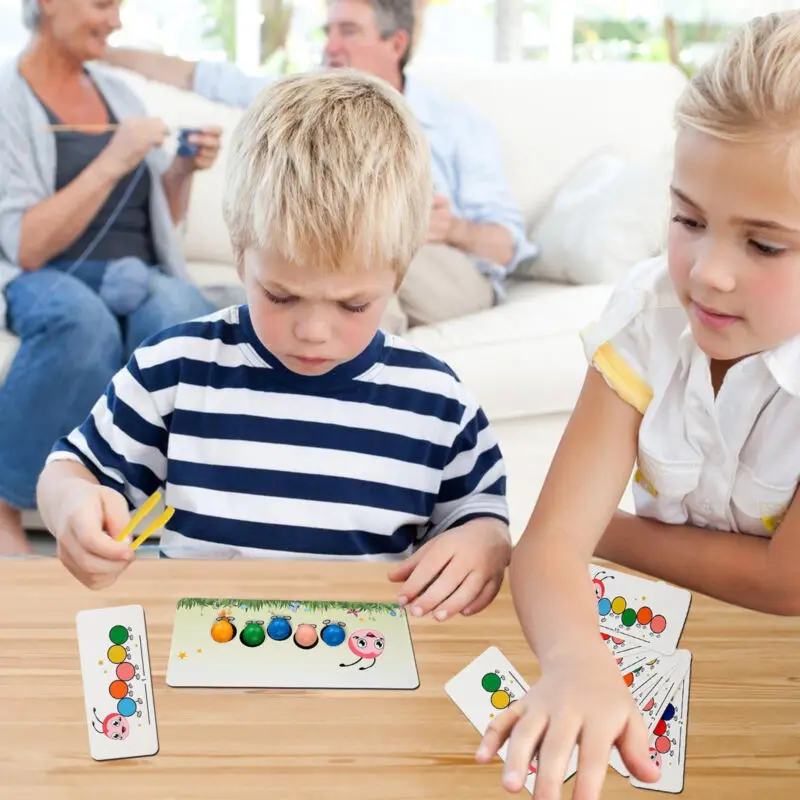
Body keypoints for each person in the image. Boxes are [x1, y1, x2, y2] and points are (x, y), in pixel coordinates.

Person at [36, 68, 512, 625]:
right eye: (281, 296)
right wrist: (71, 508)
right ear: (241, 255)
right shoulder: (177, 371)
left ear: (399, 275)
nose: (312, 331)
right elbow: (72, 469)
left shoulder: (437, 403)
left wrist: (486, 542)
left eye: (352, 305)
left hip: (364, 669)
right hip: (202, 661)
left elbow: (482, 512)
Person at [474, 10, 800, 800]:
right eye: (688, 220)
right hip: (676, 635)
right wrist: (578, 662)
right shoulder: (650, 314)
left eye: (763, 244)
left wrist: (610, 534)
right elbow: (548, 548)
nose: (707, 273)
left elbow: (787, 585)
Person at [103, 0, 539, 334]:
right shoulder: (304, 100)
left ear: (396, 43)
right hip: (344, 251)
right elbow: (208, 79)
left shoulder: (457, 126)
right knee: (301, 282)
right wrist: (103, 51)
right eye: (328, 30)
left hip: (440, 266)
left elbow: (506, 247)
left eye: (348, 31)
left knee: (361, 273)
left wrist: (452, 228)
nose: (331, 45)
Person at [0, 0, 223, 556]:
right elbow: (24, 246)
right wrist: (114, 157)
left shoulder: (118, 95)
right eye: (103, 5)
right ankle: (6, 501)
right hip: (49, 273)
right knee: (82, 323)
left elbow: (161, 223)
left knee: (178, 316)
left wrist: (180, 170)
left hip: (139, 271)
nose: (116, 21)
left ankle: (154, 506)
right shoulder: (8, 99)